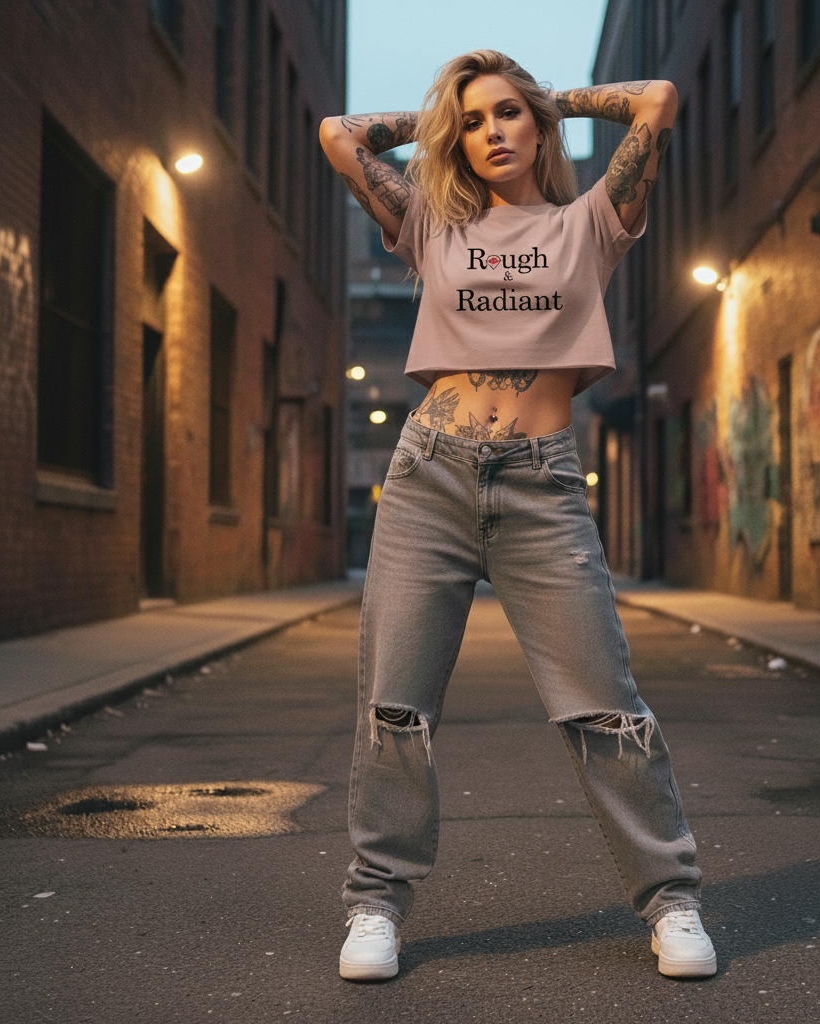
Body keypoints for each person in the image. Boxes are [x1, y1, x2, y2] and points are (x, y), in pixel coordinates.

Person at [319, 49, 716, 982]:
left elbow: (658, 99)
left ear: (540, 127)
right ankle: (376, 903)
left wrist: (552, 97)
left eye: (507, 114)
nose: (491, 132)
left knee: (604, 706)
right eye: (470, 122)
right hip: (429, 476)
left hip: (542, 486)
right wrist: (435, 120)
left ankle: (672, 900)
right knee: (395, 707)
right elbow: (339, 135)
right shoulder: (431, 225)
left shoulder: (592, 223)